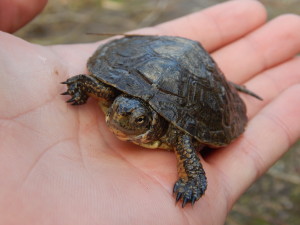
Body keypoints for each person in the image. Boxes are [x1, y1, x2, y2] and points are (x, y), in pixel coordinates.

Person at [0, 0, 299, 224]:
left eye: (137, 120)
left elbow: (185, 140)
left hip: (183, 79)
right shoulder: (115, 98)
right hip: (151, 58)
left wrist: (192, 178)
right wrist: (80, 88)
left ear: (150, 123)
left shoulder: (172, 132)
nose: (121, 118)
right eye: (119, 111)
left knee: (183, 136)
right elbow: (87, 82)